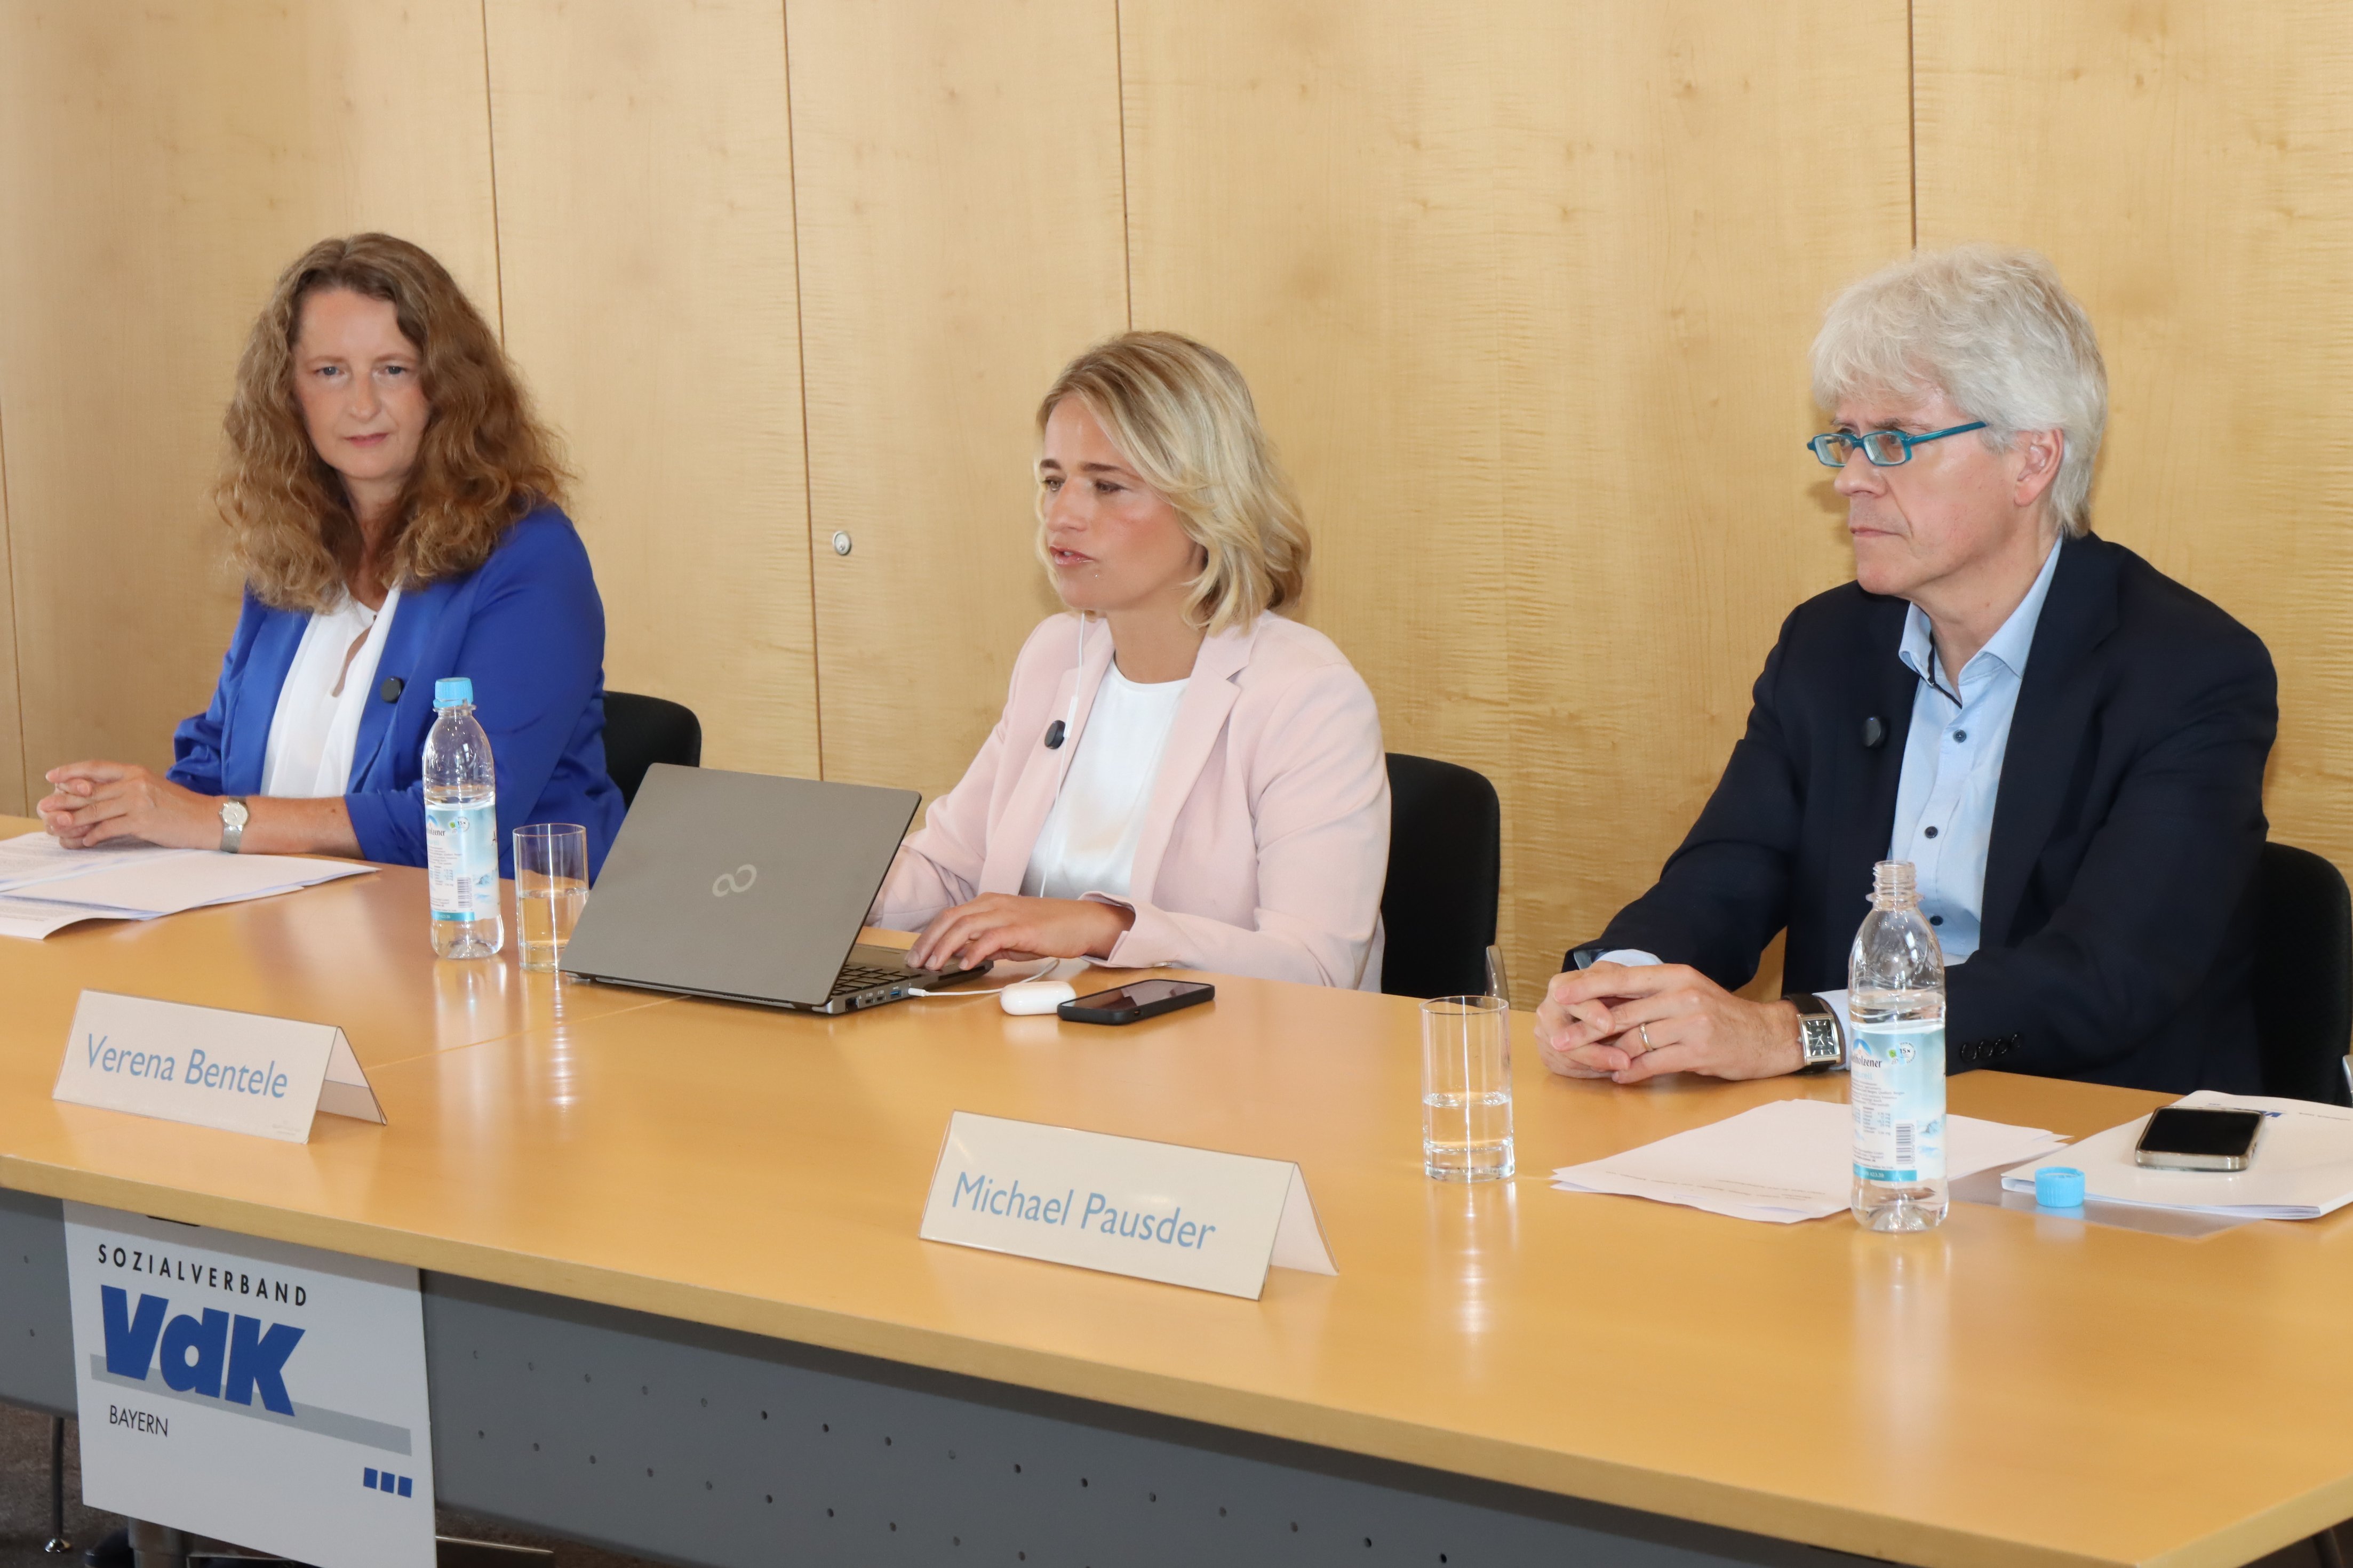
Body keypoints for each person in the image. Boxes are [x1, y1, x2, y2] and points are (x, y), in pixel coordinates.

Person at [1537, 245, 2276, 1094]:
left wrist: (1802, 1031)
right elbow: (1731, 868)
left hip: (2087, 1132)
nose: (1850, 479)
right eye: (1845, 440)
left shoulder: (2187, 671)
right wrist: (1618, 984)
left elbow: (2104, 977)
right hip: (1851, 1129)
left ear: (2030, 460)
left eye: (1891, 442)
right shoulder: (1828, 644)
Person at [36, 233, 624, 875]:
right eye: (330, 372)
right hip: (287, 930)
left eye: (393, 370)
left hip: (490, 939)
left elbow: (465, 816)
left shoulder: (527, 554)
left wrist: (209, 820)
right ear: (290, 392)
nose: (362, 404)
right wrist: (128, 813)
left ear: (447, 387)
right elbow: (222, 757)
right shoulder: (292, 546)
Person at [876, 331, 1390, 989]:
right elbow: (948, 872)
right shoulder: (1055, 654)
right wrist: (814, 886)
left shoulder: (1305, 694)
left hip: (1225, 1072)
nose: (1061, 515)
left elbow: (1315, 968)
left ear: (1208, 503)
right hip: (1029, 1053)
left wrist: (1105, 928)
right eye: (1055, 481)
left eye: (1108, 486)